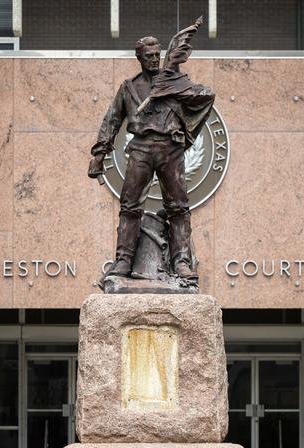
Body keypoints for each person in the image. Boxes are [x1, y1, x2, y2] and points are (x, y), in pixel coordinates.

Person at [88, 18, 214, 281]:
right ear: (139, 57)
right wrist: (99, 155)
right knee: (129, 206)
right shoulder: (129, 87)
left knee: (178, 207)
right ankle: (123, 261)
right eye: (149, 56)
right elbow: (112, 120)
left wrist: (179, 91)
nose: (154, 59)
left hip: (170, 148)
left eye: (158, 54)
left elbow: (206, 96)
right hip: (141, 149)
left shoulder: (174, 81)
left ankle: (181, 262)